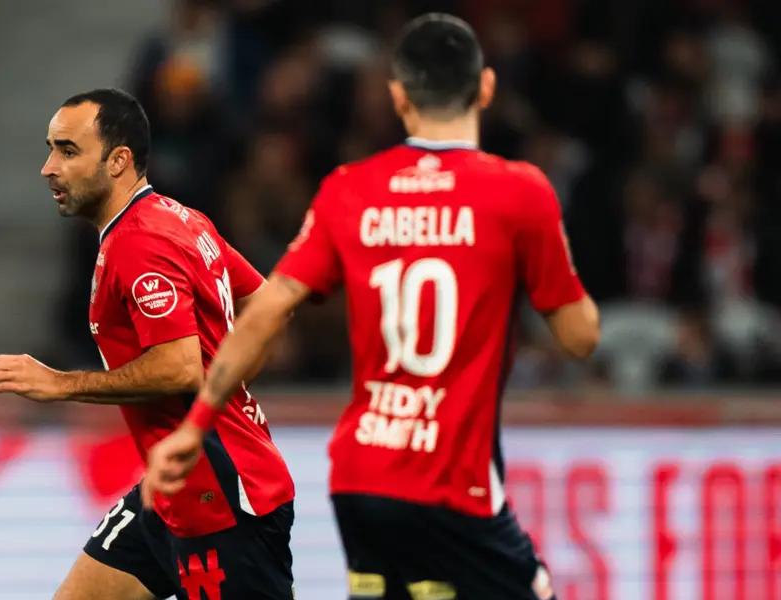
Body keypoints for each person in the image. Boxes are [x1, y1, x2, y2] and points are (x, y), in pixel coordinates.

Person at [143, 14, 601, 600]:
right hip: (453, 485)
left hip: (362, 478)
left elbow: (268, 309)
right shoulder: (519, 192)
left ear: (398, 95)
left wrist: (197, 423)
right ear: (485, 87)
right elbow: (579, 338)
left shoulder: (349, 189)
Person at [0, 89, 295, 600]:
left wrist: (61, 385)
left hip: (221, 496)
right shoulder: (179, 217)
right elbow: (268, 303)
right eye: (50, 149)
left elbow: (178, 369)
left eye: (68, 151)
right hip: (172, 488)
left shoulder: (139, 242)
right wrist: (228, 375)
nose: (48, 168)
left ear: (118, 160)